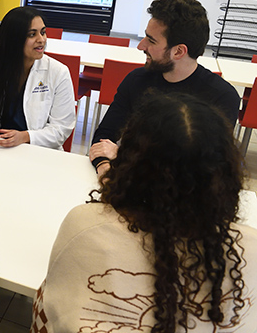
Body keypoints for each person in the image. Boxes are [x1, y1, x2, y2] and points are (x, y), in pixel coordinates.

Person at [31, 93, 257, 333]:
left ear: (130, 161)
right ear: (225, 173)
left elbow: (46, 313)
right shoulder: (249, 246)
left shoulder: (86, 226)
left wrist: (107, 171)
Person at [89, 0, 240, 176]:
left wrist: (123, 155)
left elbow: (203, 168)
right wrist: (104, 168)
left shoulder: (221, 97)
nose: (140, 46)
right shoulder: (136, 80)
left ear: (178, 51)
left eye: (151, 41)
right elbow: (103, 138)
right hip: (132, 184)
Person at [0, 6, 75, 149]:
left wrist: (26, 137)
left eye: (43, 32)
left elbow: (61, 129)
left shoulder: (58, 72)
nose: (42, 40)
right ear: (14, 39)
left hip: (39, 151)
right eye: (32, 34)